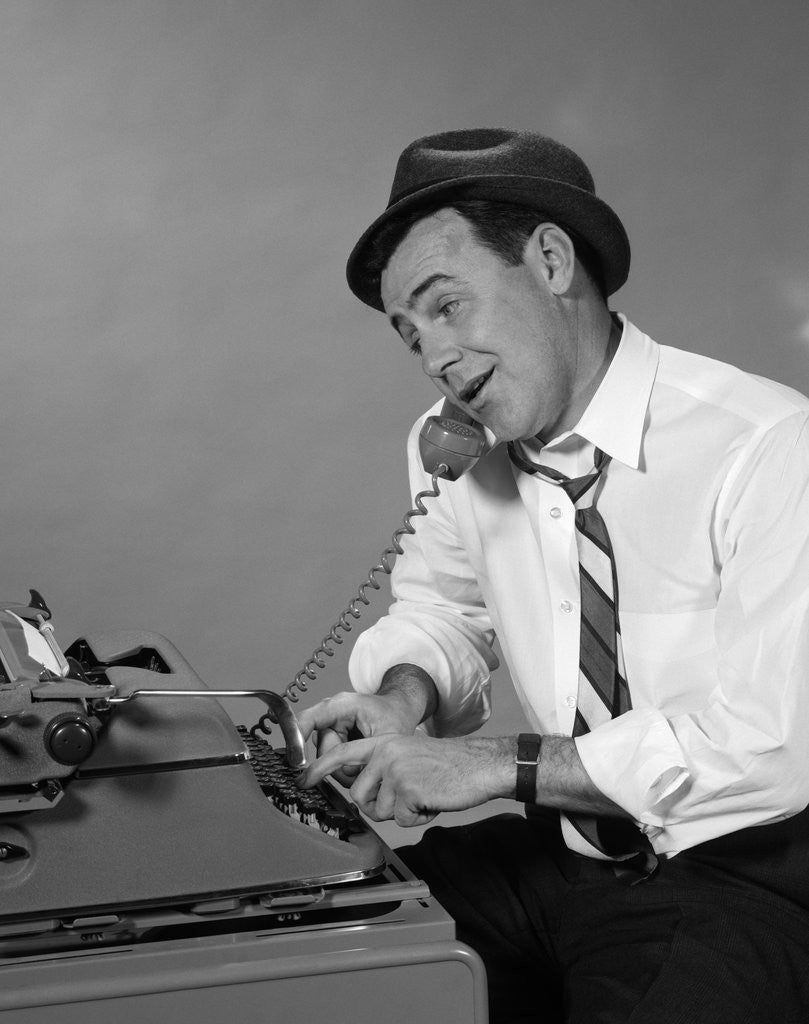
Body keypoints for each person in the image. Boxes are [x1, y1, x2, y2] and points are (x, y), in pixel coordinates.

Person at [297, 129, 809, 1023]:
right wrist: (403, 699)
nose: (434, 356)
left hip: (741, 867)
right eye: (409, 333)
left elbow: (769, 749)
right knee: (315, 949)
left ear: (548, 260)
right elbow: (444, 608)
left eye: (447, 306)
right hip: (569, 853)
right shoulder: (451, 445)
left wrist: (493, 764)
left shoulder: (765, 446)